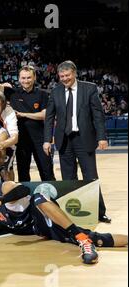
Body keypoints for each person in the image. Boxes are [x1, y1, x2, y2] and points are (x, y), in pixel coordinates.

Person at [0, 174, 127, 264]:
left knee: (38, 197)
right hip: (40, 229)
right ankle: (84, 239)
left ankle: (81, 239)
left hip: (42, 213)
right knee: (97, 239)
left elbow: (24, 190)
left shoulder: (5, 189)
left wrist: (0, 201)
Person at [43, 60, 111, 223]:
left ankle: (100, 212)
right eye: (61, 76)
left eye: (67, 75)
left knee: (90, 176)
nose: (64, 79)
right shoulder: (56, 91)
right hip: (64, 140)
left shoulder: (89, 88)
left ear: (74, 74)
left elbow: (98, 115)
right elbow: (49, 117)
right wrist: (47, 139)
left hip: (84, 138)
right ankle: (71, 212)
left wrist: (101, 136)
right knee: (68, 178)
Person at [0, 60, 55, 182]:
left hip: (40, 139)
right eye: (23, 78)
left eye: (29, 78)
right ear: (19, 78)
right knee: (23, 174)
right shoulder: (12, 92)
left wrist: (22, 114)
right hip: (21, 140)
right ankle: (26, 200)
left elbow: (45, 115)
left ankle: (52, 199)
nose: (26, 80)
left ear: (34, 78)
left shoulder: (42, 94)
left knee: (47, 172)